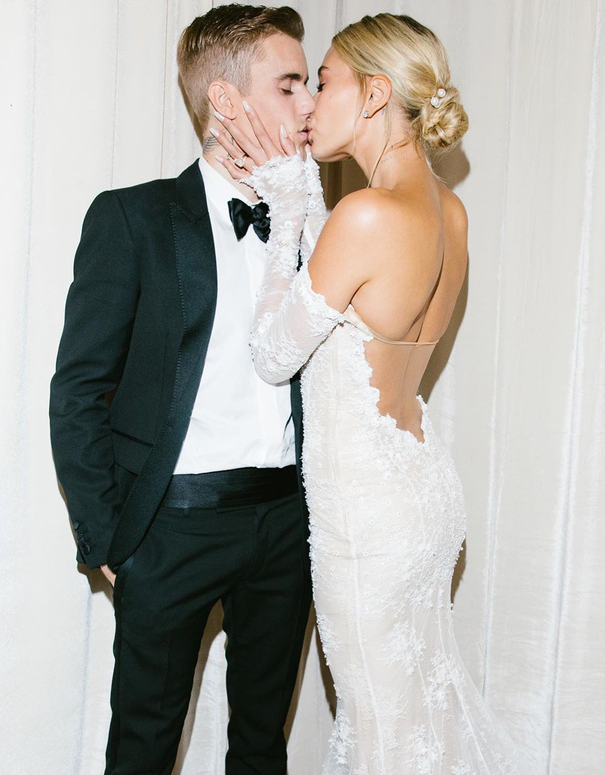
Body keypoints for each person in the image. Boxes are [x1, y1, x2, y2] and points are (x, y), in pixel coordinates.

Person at [213, 12, 523, 774]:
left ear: (376, 94)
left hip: (367, 518)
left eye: (324, 82)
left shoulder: (364, 214)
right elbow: (356, 288)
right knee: (419, 718)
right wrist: (303, 201)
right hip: (423, 493)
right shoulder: (448, 211)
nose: (311, 102)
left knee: (383, 734)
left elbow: (273, 355)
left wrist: (292, 208)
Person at [49, 5, 316, 774]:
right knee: (143, 748)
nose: (308, 104)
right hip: (172, 525)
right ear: (225, 100)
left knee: (262, 747)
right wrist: (109, 538)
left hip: (287, 523)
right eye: (289, 84)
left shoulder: (311, 219)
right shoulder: (133, 217)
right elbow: (78, 390)